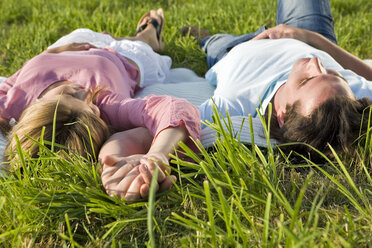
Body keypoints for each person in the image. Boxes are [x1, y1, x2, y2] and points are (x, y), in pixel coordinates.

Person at [0, 9, 201, 200]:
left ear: (38, 107)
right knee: (144, 42)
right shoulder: (104, 102)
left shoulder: (12, 102)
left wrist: (51, 52)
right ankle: (150, 31)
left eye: (69, 94)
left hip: (70, 47)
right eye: (92, 110)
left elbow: (19, 75)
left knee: (86, 33)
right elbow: (174, 110)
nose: (86, 93)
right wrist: (158, 154)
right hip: (125, 56)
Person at [179, 0, 372, 160]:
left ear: (281, 116)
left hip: (232, 49)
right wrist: (312, 38)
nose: (316, 62)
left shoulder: (234, 102)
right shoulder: (348, 98)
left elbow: (177, 124)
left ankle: (204, 38)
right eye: (335, 74)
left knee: (214, 43)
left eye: (306, 81)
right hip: (304, 34)